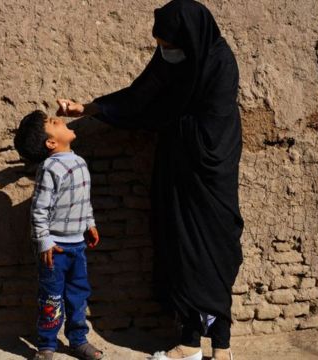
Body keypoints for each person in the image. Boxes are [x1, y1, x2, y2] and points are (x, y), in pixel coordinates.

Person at [57, 1, 243, 359]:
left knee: (216, 254)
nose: (164, 52)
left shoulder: (219, 62)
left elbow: (214, 130)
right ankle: (191, 345)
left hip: (211, 176)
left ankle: (220, 347)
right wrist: (91, 108)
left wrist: (171, 120)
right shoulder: (173, 59)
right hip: (178, 175)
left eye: (169, 45)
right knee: (183, 254)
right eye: (160, 45)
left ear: (189, 38)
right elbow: (142, 93)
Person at [13, 110, 103, 360]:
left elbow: (83, 201)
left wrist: (90, 223)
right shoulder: (49, 168)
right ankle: (47, 345)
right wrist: (44, 242)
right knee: (51, 298)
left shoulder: (80, 162)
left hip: (78, 246)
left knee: (78, 294)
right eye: (54, 123)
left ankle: (78, 340)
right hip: (55, 249)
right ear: (51, 143)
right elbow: (39, 209)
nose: (61, 121)